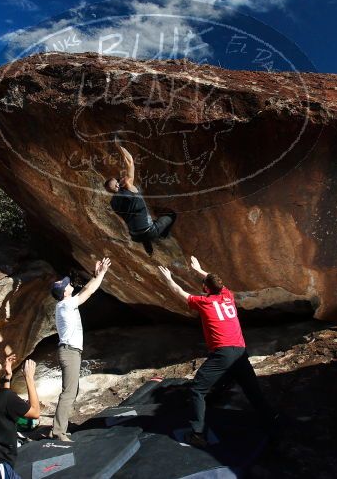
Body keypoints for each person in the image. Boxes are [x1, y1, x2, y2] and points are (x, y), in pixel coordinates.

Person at [157, 256, 275, 449]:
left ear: (205, 288)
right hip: (240, 350)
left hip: (224, 352)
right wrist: (200, 269)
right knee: (252, 389)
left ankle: (197, 433)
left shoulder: (204, 302)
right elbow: (217, 283)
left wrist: (168, 278)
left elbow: (180, 292)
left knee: (197, 389)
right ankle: (271, 419)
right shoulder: (228, 295)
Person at [50, 257, 112, 442]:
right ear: (64, 292)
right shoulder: (66, 304)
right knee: (68, 392)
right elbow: (88, 291)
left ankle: (59, 427)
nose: (70, 285)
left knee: (72, 390)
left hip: (70, 351)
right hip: (69, 352)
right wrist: (101, 274)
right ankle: (58, 431)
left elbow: (86, 289)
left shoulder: (64, 304)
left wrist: (95, 275)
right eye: (67, 285)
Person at [104, 141, 176, 256]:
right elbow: (130, 161)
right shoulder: (128, 186)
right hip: (150, 231)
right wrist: (119, 146)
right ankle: (163, 235)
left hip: (135, 235)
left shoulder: (113, 203)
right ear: (118, 184)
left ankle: (149, 249)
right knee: (172, 214)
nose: (120, 178)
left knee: (138, 223)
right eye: (118, 179)